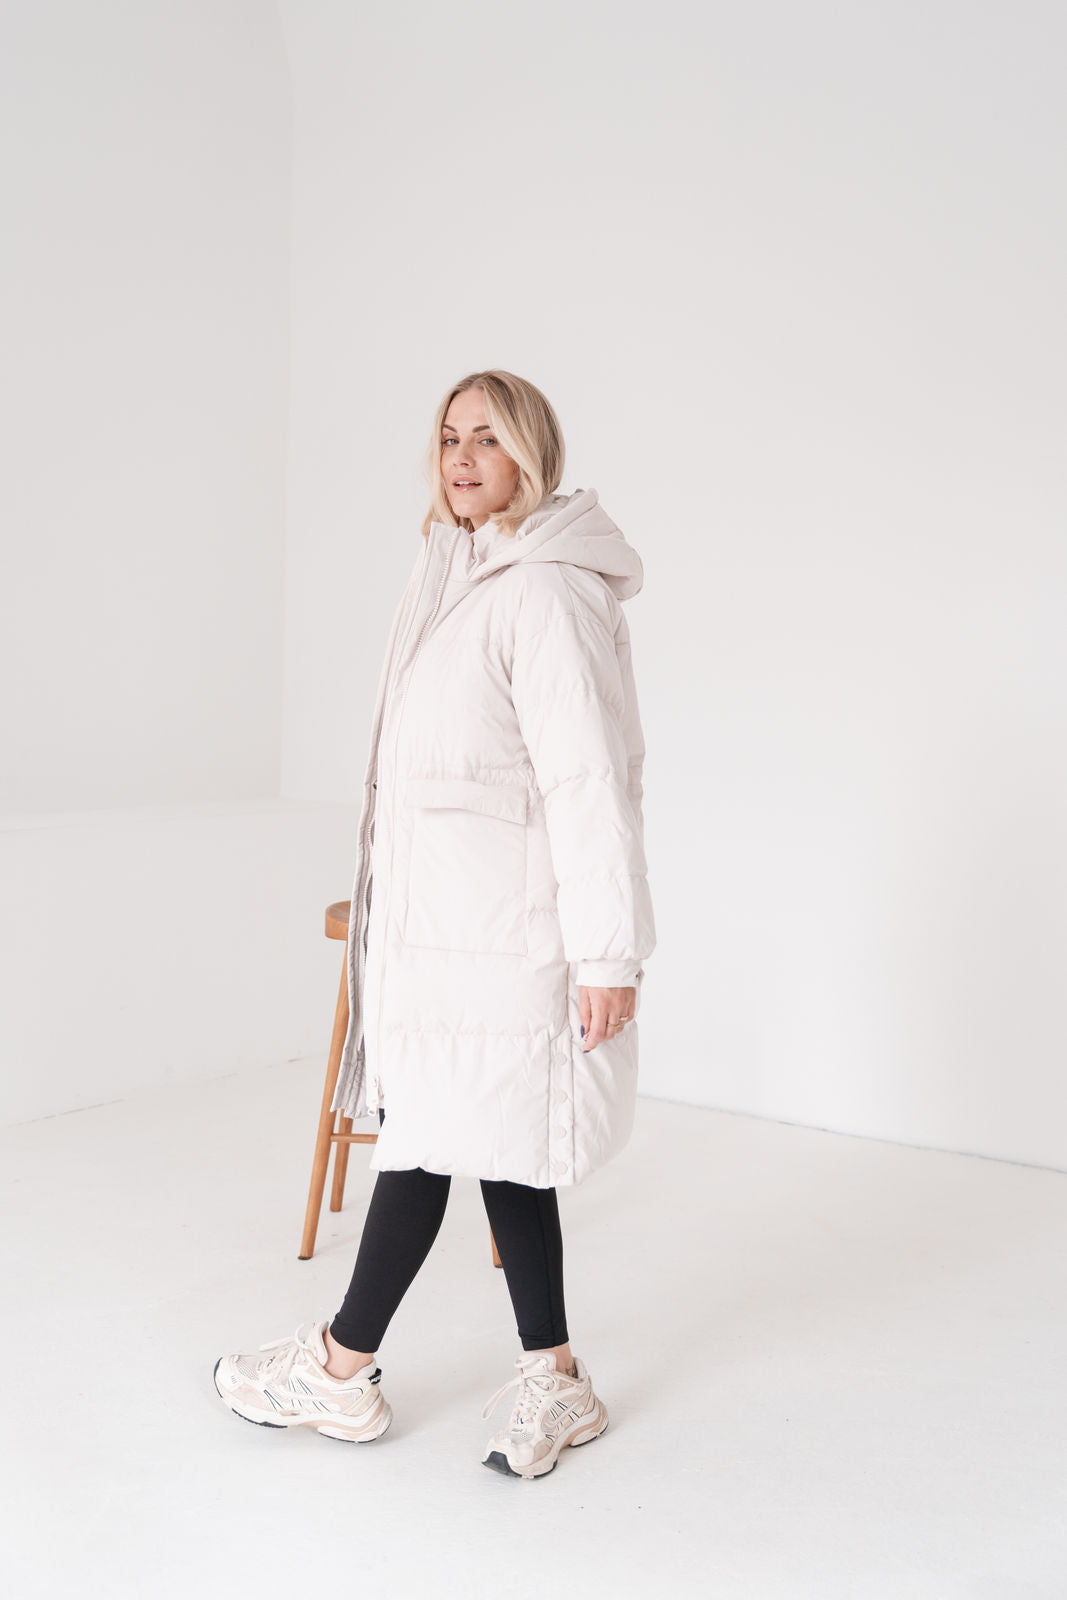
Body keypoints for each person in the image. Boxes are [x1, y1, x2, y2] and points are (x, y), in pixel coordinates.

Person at [214, 369, 656, 1480]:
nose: (461, 458)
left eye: (487, 439)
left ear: (530, 455)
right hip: (450, 927)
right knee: (502, 1153)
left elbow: (589, 783)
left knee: (426, 1139)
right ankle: (556, 1378)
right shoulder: (460, 574)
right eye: (449, 437)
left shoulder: (542, 593)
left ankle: (338, 1364)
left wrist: (608, 952)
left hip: (504, 935)